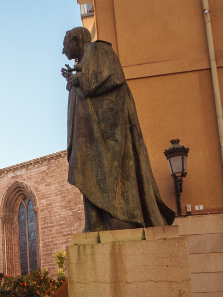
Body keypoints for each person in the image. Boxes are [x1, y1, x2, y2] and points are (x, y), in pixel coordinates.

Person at [61, 26, 175, 232]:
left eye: (65, 45)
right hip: (89, 132)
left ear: (76, 40)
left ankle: (119, 217)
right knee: (87, 170)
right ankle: (95, 223)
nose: (63, 51)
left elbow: (112, 78)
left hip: (107, 133)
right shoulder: (86, 59)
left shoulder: (99, 49)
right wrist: (74, 79)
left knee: (107, 172)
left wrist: (80, 79)